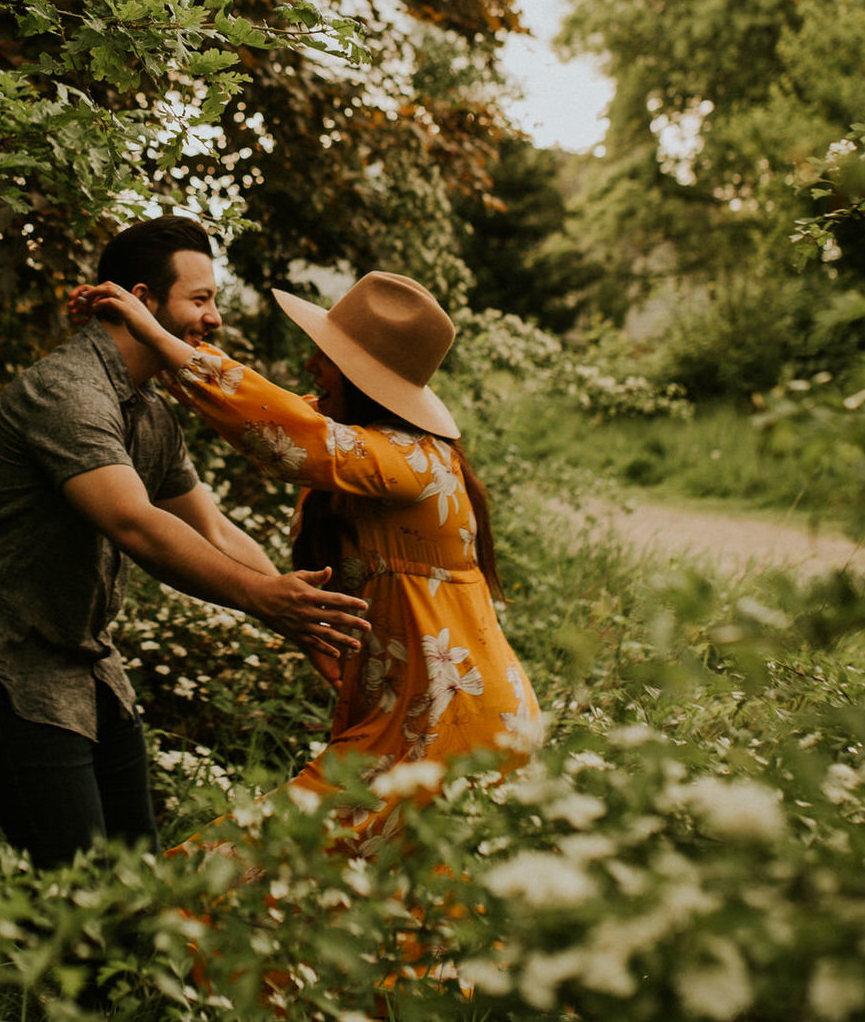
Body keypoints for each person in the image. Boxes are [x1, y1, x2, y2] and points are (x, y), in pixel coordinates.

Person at [0, 215, 372, 871]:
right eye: (201, 300)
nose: (215, 319)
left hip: (88, 668)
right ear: (143, 301)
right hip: (9, 672)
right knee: (82, 904)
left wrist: (306, 626)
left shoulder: (151, 409)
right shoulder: (67, 392)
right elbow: (133, 523)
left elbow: (214, 528)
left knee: (139, 887)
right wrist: (264, 597)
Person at [69, 268, 540, 858]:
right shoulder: (368, 437)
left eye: (326, 357)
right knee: (376, 914)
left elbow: (281, 432)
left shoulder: (416, 463)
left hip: (453, 725)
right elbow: (268, 405)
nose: (312, 366)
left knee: (236, 874)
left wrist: (156, 337)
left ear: (363, 378)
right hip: (416, 714)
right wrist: (169, 342)